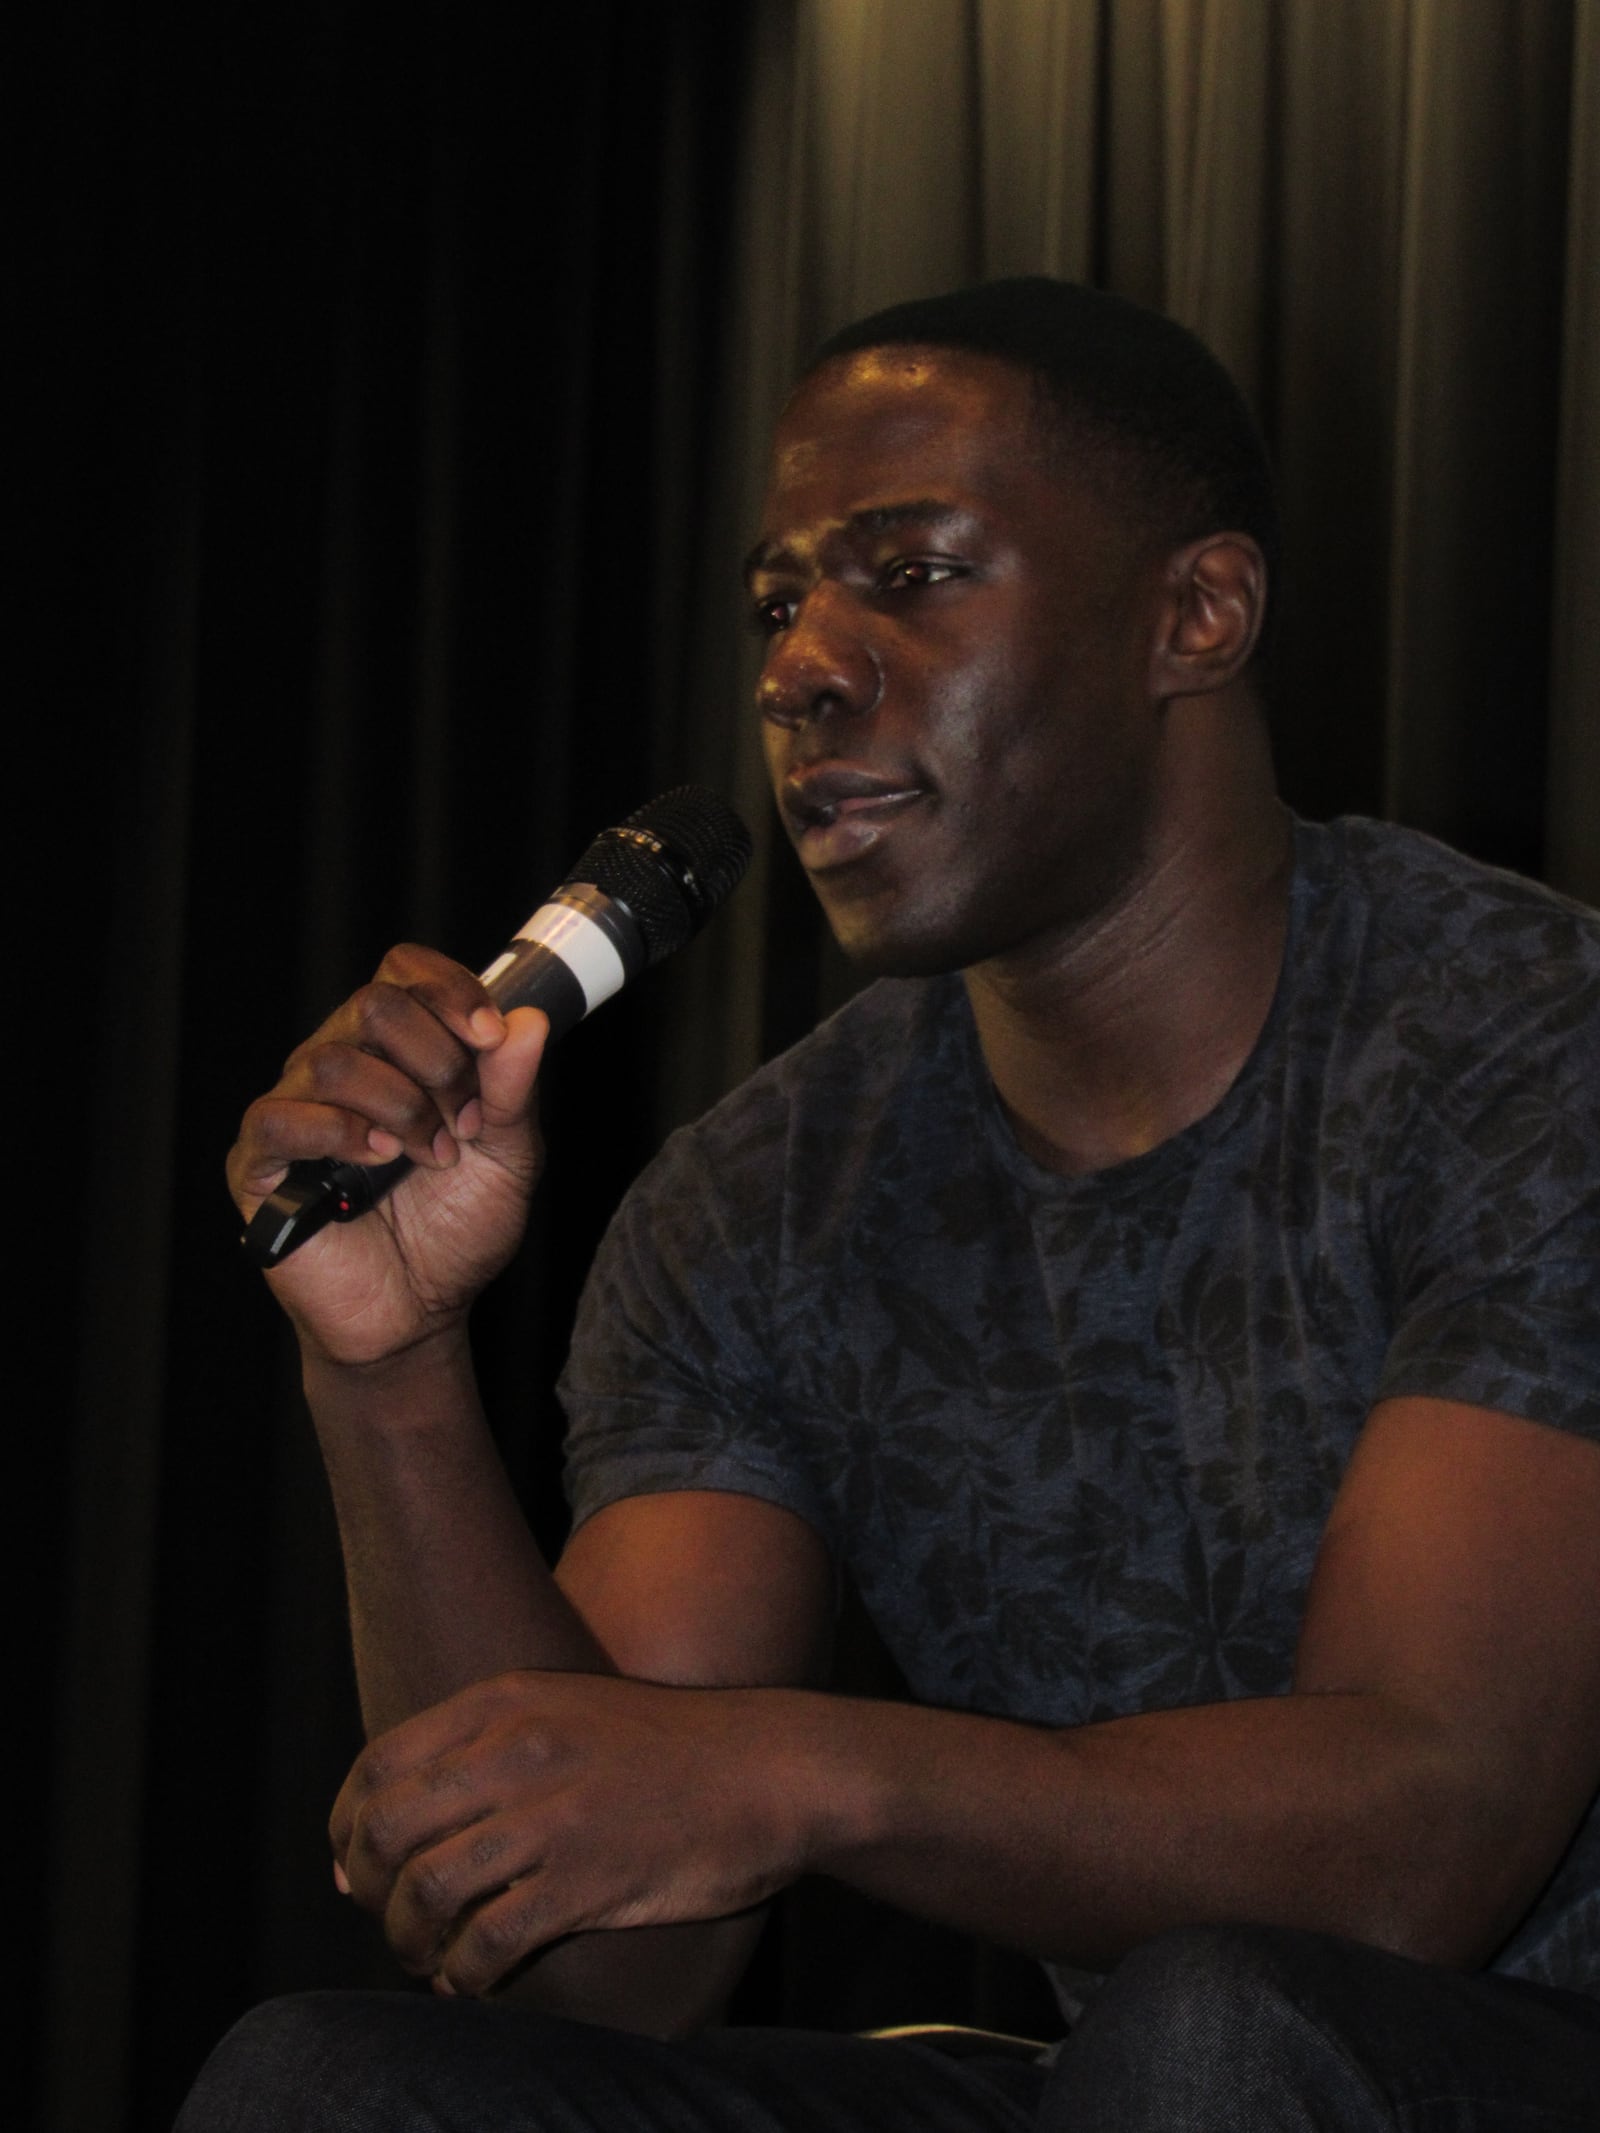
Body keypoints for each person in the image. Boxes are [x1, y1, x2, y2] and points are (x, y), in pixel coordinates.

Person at [182, 279, 1600, 2129]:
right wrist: (389, 1372)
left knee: (1224, 2031)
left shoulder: (1523, 1041)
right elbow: (602, 1963)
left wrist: (797, 1771)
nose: (799, 667)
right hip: (1164, 2078)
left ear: (1198, 613)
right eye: (781, 603)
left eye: (914, 575)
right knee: (342, 2084)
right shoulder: (757, 1200)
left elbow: (1421, 1845)